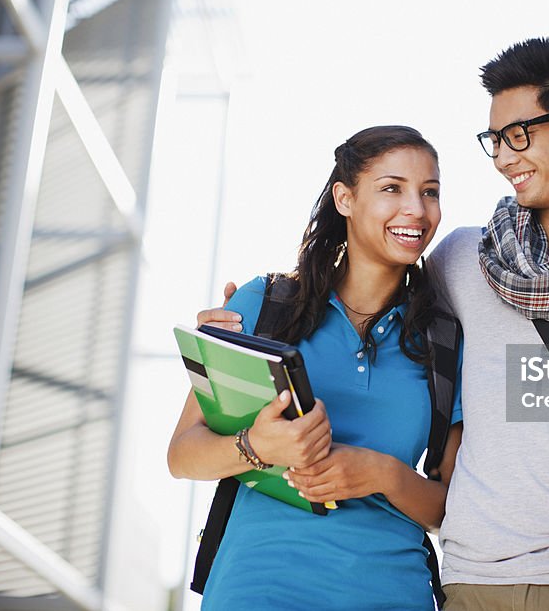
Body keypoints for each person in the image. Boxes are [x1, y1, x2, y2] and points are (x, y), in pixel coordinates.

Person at [202, 38, 549, 611]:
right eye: (494, 140)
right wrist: (248, 319)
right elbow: (364, 282)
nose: (503, 157)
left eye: (520, 134)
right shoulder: (463, 259)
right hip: (471, 585)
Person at [170, 125, 463, 610]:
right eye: (392, 188)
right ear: (344, 199)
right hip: (256, 587)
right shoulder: (262, 305)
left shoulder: (444, 339)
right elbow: (182, 455)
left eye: (429, 192)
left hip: (391, 592)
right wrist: (256, 446)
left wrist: (385, 474)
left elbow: (450, 507)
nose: (416, 208)